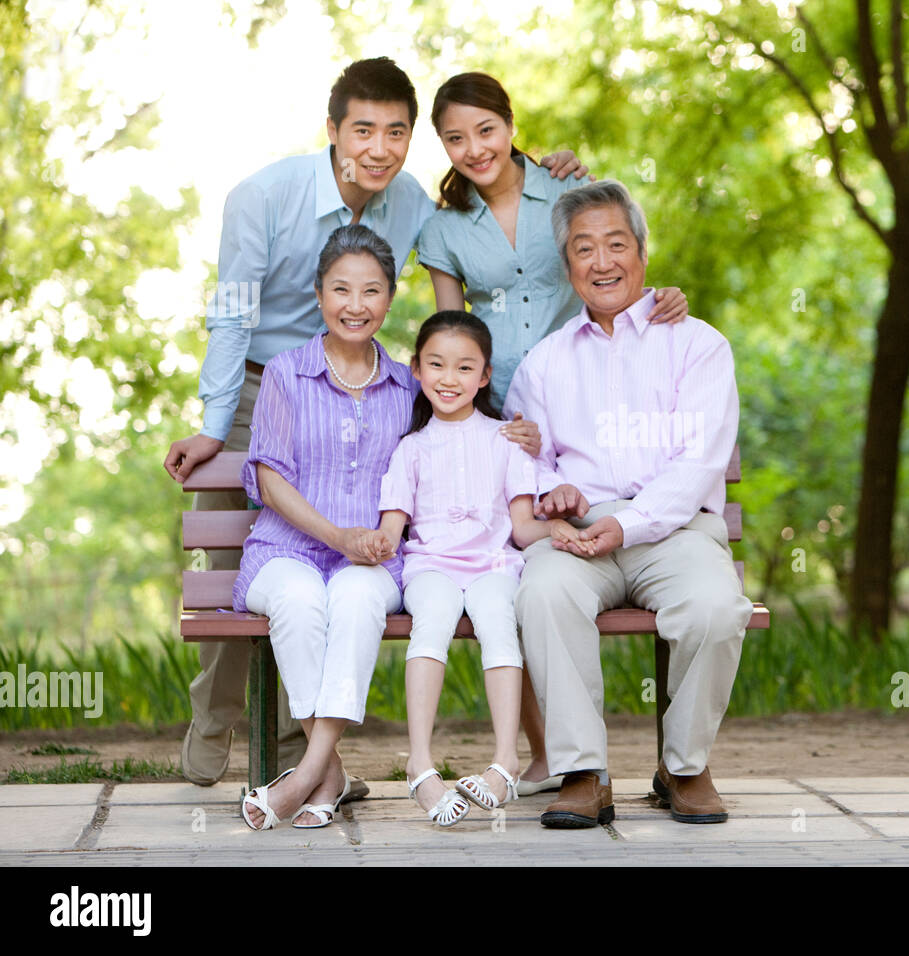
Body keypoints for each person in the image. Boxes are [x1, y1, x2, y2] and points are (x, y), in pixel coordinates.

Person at [161, 57, 586, 789]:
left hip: (364, 386)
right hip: (264, 386)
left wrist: (544, 167)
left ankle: (301, 752)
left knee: (344, 567)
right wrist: (212, 421)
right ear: (332, 131)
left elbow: (481, 215)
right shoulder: (261, 199)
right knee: (238, 556)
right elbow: (231, 313)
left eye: (397, 132)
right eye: (363, 130)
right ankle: (217, 713)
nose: (380, 148)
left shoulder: (410, 200)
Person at [417, 71, 689, 793]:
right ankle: (546, 755)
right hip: (503, 419)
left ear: (510, 123)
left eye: (485, 129)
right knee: (516, 574)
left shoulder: (566, 190)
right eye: (454, 138)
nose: (473, 148)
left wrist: (666, 297)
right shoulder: (443, 229)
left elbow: (618, 263)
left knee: (554, 569)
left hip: (581, 404)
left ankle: (596, 758)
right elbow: (452, 329)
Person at [505, 180, 754, 828]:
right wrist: (547, 488)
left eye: (616, 243)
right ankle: (583, 772)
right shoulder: (543, 362)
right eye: (584, 249)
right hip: (578, 536)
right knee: (543, 593)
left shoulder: (698, 343)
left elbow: (699, 461)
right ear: (568, 269)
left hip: (673, 530)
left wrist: (628, 523)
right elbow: (524, 452)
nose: (602, 261)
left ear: (642, 254)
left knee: (714, 605)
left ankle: (684, 767)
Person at [373, 311, 590, 826]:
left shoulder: (505, 440)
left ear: (485, 375)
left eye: (465, 368)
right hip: (430, 567)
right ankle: (420, 762)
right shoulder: (411, 448)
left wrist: (560, 531)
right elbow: (391, 529)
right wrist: (363, 544)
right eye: (437, 365)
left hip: (493, 564)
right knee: (434, 619)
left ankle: (506, 762)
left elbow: (521, 527)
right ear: (417, 370)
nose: (450, 379)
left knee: (498, 621)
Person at [238, 224, 414, 830]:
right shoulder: (286, 374)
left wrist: (514, 432)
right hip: (284, 549)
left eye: (371, 291)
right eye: (341, 290)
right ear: (319, 295)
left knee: (358, 598)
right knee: (299, 598)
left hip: (372, 559)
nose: (355, 305)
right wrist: (337, 536)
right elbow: (268, 478)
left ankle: (311, 771)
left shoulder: (408, 386)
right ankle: (327, 772)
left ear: (389, 298)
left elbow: (456, 436)